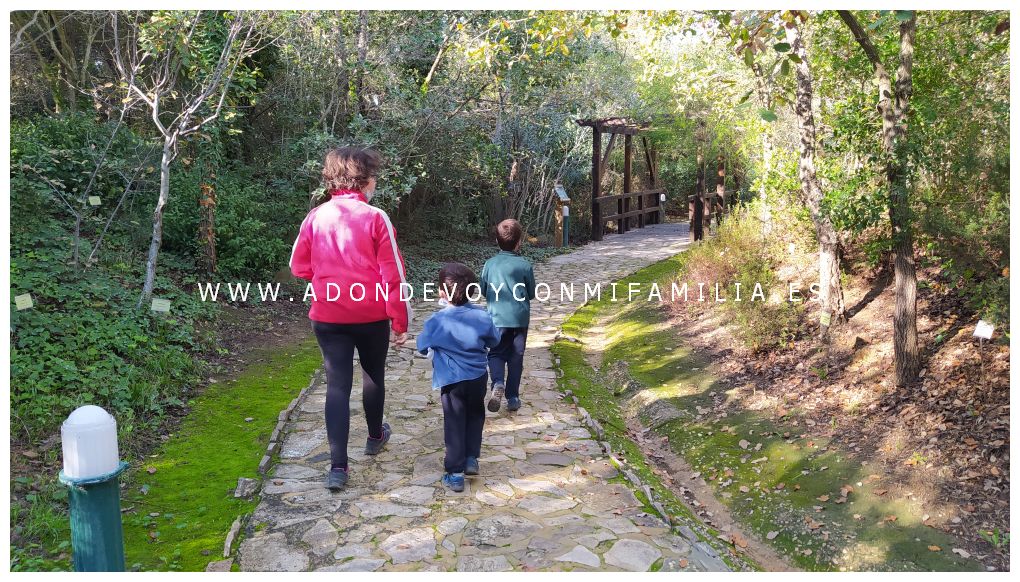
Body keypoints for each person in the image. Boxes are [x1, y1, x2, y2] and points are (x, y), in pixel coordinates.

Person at [290, 147, 412, 491]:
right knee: (373, 375)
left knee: (337, 386)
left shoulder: (315, 217)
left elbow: (298, 266)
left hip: (328, 314)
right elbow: (394, 276)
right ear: (366, 180)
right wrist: (399, 322)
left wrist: (326, 279)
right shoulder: (375, 217)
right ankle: (375, 436)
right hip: (370, 314)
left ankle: (338, 468)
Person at [416, 263, 500, 492]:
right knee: (475, 415)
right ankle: (471, 458)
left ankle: (454, 473)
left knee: (454, 422)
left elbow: (422, 346)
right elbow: (494, 341)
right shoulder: (483, 316)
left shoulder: (436, 320)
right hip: (477, 377)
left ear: (442, 292)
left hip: (451, 381)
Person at [480, 219, 536, 413]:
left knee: (495, 353)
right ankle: (512, 397)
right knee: (516, 356)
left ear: (497, 241)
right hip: (520, 319)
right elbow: (531, 293)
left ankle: (497, 383)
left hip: (496, 318)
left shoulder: (489, 264)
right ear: (519, 241)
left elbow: (483, 289)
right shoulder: (524, 265)